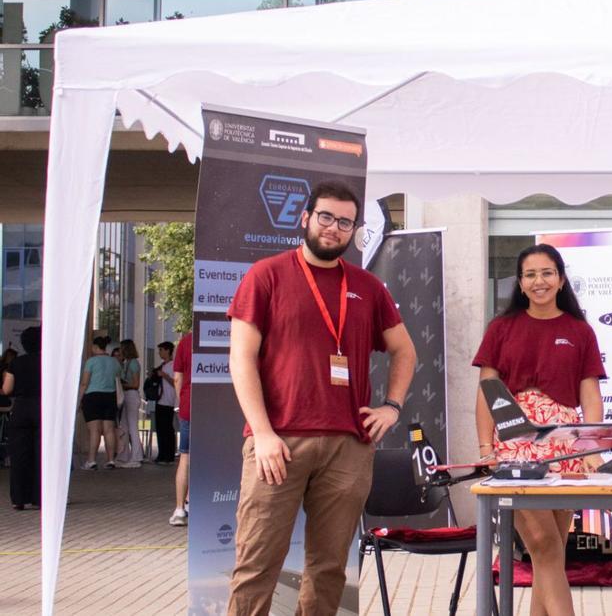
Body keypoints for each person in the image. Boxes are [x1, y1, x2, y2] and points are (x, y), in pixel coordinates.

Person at [225, 180, 416, 615]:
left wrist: (392, 405)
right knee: (256, 566)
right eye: (326, 217)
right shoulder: (267, 275)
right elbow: (241, 360)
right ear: (306, 217)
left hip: (348, 446)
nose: (334, 228)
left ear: (353, 230)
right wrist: (263, 433)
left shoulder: (367, 286)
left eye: (345, 222)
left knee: (329, 570)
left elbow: (405, 350)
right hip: (278, 444)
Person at [473, 243, 605, 616]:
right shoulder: (501, 328)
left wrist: (592, 447)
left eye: (547, 273)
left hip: (566, 447)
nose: (539, 281)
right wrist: (486, 448)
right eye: (530, 274)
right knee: (545, 546)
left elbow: (590, 393)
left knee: (551, 552)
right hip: (515, 444)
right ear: (520, 282)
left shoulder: (579, 331)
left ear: (561, 279)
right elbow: (486, 392)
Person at [3, 327, 41, 509]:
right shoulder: (48, 362)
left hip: (21, 408)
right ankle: (40, 497)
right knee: (41, 454)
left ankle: (19, 499)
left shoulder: (16, 363)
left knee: (19, 455)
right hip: (43, 408)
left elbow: (7, 389)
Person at [80, 336, 124, 469]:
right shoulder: (114, 362)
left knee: (95, 430)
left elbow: (84, 383)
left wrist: (79, 399)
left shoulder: (91, 362)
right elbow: (118, 378)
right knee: (109, 430)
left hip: (92, 397)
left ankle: (91, 460)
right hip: (110, 396)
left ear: (95, 347)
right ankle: (111, 460)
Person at [169, 330, 193, 526]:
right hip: (216, 408)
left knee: (186, 457)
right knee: (210, 457)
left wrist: (181, 399)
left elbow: (177, 378)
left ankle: (179, 509)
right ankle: (195, 501)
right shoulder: (226, 336)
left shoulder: (185, 343)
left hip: (189, 407)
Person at [115, 339, 145, 466]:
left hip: (131, 395)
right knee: (125, 426)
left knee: (132, 426)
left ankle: (136, 456)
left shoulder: (133, 364)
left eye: (121, 348)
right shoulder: (128, 363)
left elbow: (136, 384)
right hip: (128, 395)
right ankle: (124, 455)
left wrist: (124, 384)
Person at [153, 341, 178, 465]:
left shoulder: (172, 365)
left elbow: (175, 382)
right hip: (160, 399)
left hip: (168, 400)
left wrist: (164, 375)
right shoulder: (162, 365)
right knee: (160, 428)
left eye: (161, 350)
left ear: (168, 350)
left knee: (167, 428)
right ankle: (161, 454)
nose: (159, 353)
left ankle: (169, 455)